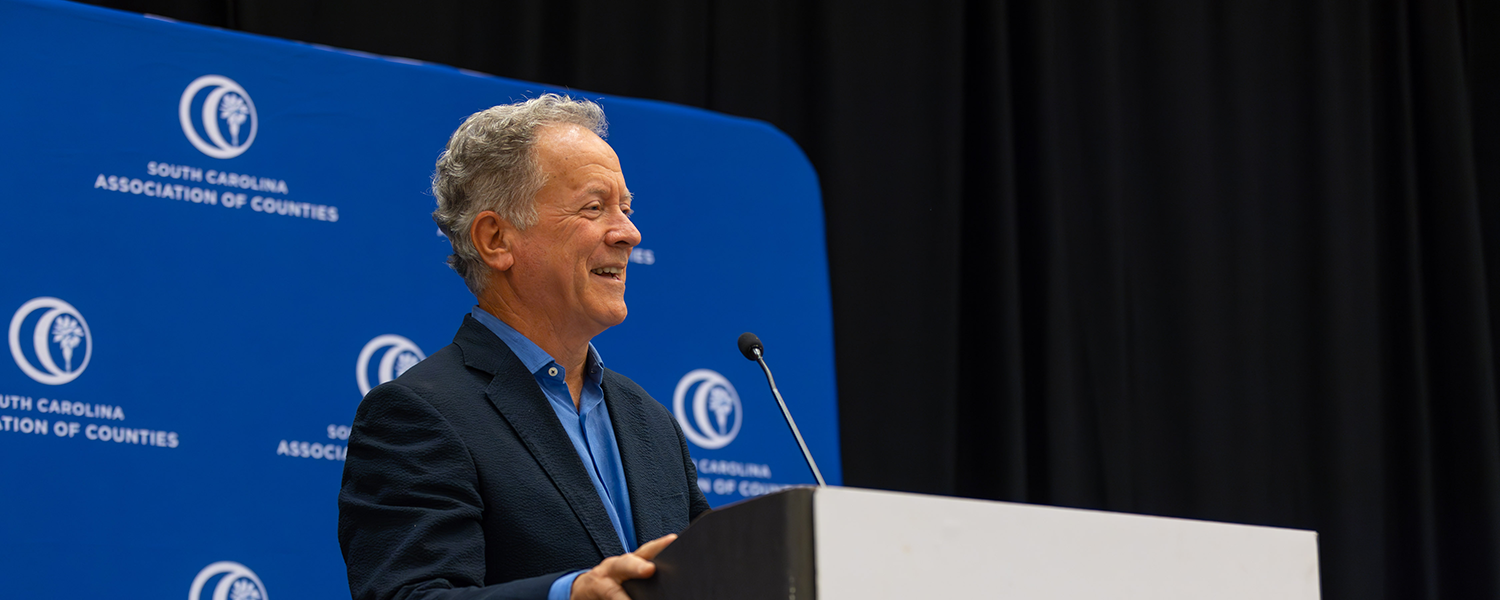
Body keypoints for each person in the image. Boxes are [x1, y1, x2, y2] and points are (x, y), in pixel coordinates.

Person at [338, 94, 711, 600]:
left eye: (625, 208)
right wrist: (568, 595)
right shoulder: (418, 413)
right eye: (594, 207)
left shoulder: (650, 420)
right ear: (496, 239)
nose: (629, 232)